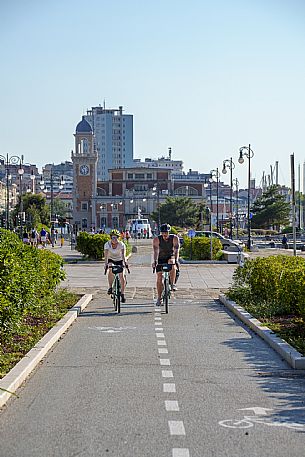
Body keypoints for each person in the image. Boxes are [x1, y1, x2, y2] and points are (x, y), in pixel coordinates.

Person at [152, 223, 180, 306]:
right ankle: (159, 298)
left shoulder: (174, 238)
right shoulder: (157, 239)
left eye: (166, 232)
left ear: (169, 232)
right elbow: (156, 251)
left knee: (172, 263)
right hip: (160, 257)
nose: (164, 234)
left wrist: (176, 260)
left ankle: (172, 284)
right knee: (159, 277)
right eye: (163, 233)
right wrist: (155, 261)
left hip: (170, 256)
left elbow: (176, 250)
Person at [104, 229, 128, 303]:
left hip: (120, 260)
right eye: (113, 238)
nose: (114, 239)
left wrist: (125, 263)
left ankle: (122, 294)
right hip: (111, 259)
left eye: (116, 237)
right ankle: (110, 287)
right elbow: (106, 255)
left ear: (118, 238)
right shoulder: (107, 244)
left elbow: (123, 255)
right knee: (110, 269)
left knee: (122, 276)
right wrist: (106, 264)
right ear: (110, 238)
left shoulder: (121, 244)